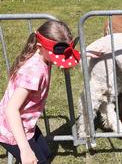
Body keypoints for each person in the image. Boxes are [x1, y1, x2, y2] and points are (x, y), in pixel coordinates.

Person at [0, 20, 80, 164]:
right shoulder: (33, 72)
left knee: (45, 153)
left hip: (27, 122)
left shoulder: (43, 55)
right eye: (59, 57)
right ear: (40, 47)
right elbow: (11, 110)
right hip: (10, 129)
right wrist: (24, 149)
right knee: (37, 160)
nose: (60, 60)